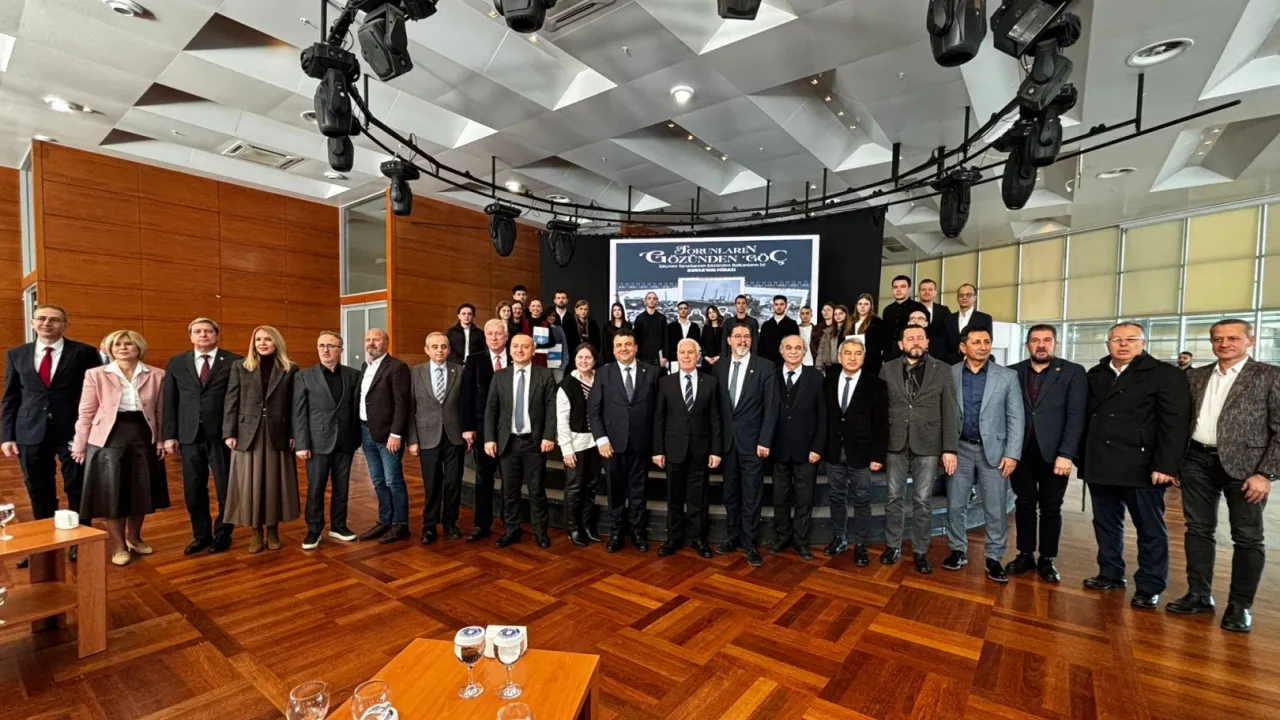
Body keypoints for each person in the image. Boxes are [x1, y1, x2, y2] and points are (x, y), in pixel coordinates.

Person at [1167, 319, 1279, 633]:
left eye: (1232, 338)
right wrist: (1176, 463)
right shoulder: (1196, 376)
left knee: (1247, 537)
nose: (1224, 344)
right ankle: (1199, 595)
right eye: (1218, 339)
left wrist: (1265, 473)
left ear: (1250, 341)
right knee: (1198, 530)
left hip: (1247, 469)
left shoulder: (1270, 376)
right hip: (1196, 461)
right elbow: (1181, 422)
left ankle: (1240, 605)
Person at [1079, 322, 1190, 610]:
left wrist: (1166, 465)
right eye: (1117, 339)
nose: (1123, 344)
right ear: (1108, 343)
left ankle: (1150, 585)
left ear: (1143, 343)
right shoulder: (1096, 374)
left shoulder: (1165, 374)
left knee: (1150, 529)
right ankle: (1110, 572)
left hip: (1143, 466)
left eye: (1131, 339)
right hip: (1101, 463)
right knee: (1105, 523)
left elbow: (1175, 424)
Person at [72, 330, 168, 567]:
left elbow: (161, 412)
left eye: (128, 344)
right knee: (112, 492)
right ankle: (118, 545)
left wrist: (161, 440)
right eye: (117, 344)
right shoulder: (96, 374)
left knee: (140, 490)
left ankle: (135, 538)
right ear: (110, 349)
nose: (123, 348)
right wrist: (80, 444)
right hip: (107, 437)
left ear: (139, 348)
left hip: (143, 434)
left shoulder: (157, 374)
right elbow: (86, 411)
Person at [2, 305, 100, 532]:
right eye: (41, 318)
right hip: (29, 429)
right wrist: (7, 436)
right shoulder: (16, 354)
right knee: (38, 486)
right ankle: (45, 534)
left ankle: (80, 536)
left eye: (54, 320)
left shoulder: (84, 352)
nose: (47, 323)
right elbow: (11, 397)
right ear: (33, 323)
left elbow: (96, 393)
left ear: (65, 325)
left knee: (77, 484)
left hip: (74, 429)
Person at [1006, 325, 1087, 583]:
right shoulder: (1012, 372)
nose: (1041, 345)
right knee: (1024, 504)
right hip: (1021, 452)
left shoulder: (1072, 372)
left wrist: (1067, 454)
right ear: (1027, 344)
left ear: (1055, 343)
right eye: (1035, 340)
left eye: (1047, 340)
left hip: (1055, 455)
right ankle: (1025, 554)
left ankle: (1047, 558)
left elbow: (1076, 416)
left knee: (1051, 507)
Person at [944, 326, 1024, 582]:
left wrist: (1012, 453)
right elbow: (944, 414)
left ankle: (993, 557)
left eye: (987, 341)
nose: (983, 346)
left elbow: (1016, 417)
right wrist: (946, 448)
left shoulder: (1007, 376)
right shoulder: (950, 374)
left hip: (995, 452)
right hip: (960, 449)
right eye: (976, 342)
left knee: (995, 507)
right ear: (963, 347)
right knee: (956, 503)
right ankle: (957, 550)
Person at [880, 324, 957, 573]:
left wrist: (950, 448)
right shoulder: (887, 368)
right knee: (893, 498)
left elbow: (950, 410)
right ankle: (893, 545)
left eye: (920, 338)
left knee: (922, 501)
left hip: (929, 442)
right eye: (910, 338)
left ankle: (920, 551)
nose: (915, 342)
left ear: (927, 342)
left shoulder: (943, 369)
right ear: (901, 344)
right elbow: (880, 408)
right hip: (895, 441)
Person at [161, 318, 242, 555]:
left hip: (222, 436)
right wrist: (169, 435)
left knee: (225, 489)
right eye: (198, 331)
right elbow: (169, 400)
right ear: (191, 336)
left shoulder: (234, 361)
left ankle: (223, 534)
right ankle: (201, 535)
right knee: (193, 489)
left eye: (208, 331)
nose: (203, 335)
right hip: (189, 436)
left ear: (216, 335)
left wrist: (235, 431)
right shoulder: (177, 362)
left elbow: (239, 400)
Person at [222, 326, 299, 554]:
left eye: (267, 339)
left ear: (277, 342)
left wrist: (294, 433)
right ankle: (256, 531)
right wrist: (229, 432)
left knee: (274, 482)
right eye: (258, 339)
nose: (262, 343)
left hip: (278, 432)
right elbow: (231, 400)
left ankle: (273, 529)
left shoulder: (290, 369)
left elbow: (294, 405)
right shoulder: (240, 366)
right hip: (247, 433)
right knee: (250, 483)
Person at [588, 328, 662, 553]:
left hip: (641, 444)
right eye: (619, 345)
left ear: (636, 347)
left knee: (639, 491)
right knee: (615, 491)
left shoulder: (652, 372)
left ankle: (638, 532)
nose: (624, 349)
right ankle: (617, 532)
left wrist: (657, 446)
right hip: (612, 445)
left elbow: (659, 413)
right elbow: (594, 410)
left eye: (628, 344)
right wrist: (601, 439)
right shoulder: (603, 373)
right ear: (613, 350)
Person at [484, 333, 557, 548]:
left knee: (536, 490)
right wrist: (489, 438)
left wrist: (549, 435)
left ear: (533, 351)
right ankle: (511, 530)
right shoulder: (500, 376)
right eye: (515, 346)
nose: (519, 350)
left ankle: (540, 532)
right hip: (508, 443)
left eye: (525, 346)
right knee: (509, 490)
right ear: (510, 350)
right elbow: (491, 409)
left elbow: (551, 408)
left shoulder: (545, 375)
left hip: (534, 443)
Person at [714, 323, 778, 567]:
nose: (742, 340)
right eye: (738, 336)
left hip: (753, 444)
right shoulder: (718, 367)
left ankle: (750, 542)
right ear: (729, 340)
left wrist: (765, 440)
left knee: (752, 494)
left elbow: (771, 407)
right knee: (730, 494)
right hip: (727, 444)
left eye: (747, 336)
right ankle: (734, 536)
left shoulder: (765, 367)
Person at [292, 331, 361, 550]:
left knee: (342, 488)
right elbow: (298, 413)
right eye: (321, 345)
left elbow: (356, 409)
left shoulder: (353, 375)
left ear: (340, 350)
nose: (325, 350)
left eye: (330, 346)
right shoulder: (304, 376)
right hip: (317, 442)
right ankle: (313, 531)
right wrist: (302, 444)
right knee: (316, 489)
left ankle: (338, 526)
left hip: (345, 441)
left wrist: (357, 438)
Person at [654, 338, 722, 558]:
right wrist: (658, 450)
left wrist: (715, 450)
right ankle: (673, 539)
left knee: (698, 498)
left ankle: (698, 539)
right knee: (674, 498)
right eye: (682, 352)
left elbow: (715, 419)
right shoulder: (665, 382)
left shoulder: (710, 382)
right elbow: (659, 418)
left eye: (690, 352)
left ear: (698, 356)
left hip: (700, 451)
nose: (686, 356)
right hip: (673, 450)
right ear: (677, 355)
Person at [824, 338, 888, 564]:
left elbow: (881, 423)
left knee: (862, 499)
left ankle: (861, 544)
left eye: (857, 353)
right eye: (848, 353)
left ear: (863, 357)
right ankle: (839, 537)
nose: (852, 357)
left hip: (862, 453)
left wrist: (878, 455)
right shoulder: (827, 382)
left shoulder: (876, 385)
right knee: (836, 497)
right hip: (833, 451)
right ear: (839, 356)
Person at [769, 335, 826, 560]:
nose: (793, 351)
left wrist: (818, 447)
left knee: (805, 497)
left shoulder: (816, 377)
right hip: (778, 448)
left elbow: (823, 416)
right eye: (789, 348)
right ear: (781, 351)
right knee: (779, 496)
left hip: (807, 450)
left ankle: (801, 540)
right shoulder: (771, 375)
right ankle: (782, 537)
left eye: (798, 348)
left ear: (804, 352)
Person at [407, 332, 466, 544]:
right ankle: (429, 526)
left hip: (454, 436)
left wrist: (468, 432)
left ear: (448, 350)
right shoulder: (415, 372)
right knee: (431, 484)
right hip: (426, 436)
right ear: (426, 350)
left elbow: (465, 405)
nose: (439, 350)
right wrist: (412, 440)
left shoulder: (460, 371)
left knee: (453, 483)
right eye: (434, 346)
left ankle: (450, 522)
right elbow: (409, 408)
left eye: (443, 346)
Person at [357, 328, 412, 545]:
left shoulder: (397, 367)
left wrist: (396, 434)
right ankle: (385, 520)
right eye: (368, 339)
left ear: (386, 343)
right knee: (378, 480)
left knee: (393, 480)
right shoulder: (365, 366)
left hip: (388, 435)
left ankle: (400, 524)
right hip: (366, 432)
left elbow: (402, 403)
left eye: (376, 340)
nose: (371, 343)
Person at [460, 319, 510, 541]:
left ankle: (510, 524)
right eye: (490, 334)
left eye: (498, 333)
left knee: (510, 480)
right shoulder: (474, 360)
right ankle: (482, 524)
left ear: (506, 336)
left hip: (512, 430)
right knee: (483, 478)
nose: (494, 337)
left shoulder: (517, 357)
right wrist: (467, 427)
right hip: (482, 429)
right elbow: (466, 396)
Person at [557, 343, 604, 546]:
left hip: (597, 442)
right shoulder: (567, 384)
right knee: (574, 488)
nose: (584, 361)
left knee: (591, 486)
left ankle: (586, 525)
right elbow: (562, 421)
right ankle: (573, 528)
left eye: (588, 357)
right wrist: (566, 450)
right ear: (574, 359)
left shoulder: (600, 379)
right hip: (576, 444)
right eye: (580, 357)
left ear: (594, 360)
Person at [941, 284, 992, 365]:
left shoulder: (984, 319)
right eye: (961, 295)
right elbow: (943, 343)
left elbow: (987, 341)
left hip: (976, 362)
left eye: (968, 295)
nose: (964, 298)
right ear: (957, 298)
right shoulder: (948, 319)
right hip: (950, 363)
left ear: (974, 297)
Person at [881, 276, 926, 363]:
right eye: (895, 287)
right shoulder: (887, 310)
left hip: (911, 352)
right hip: (889, 355)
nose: (898, 290)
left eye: (902, 286)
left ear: (909, 289)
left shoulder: (919, 308)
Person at [758, 295, 800, 367]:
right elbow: (761, 346)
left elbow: (795, 345)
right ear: (773, 306)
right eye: (776, 304)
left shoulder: (792, 324)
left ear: (786, 305)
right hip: (767, 363)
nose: (779, 307)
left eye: (781, 304)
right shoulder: (766, 325)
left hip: (785, 363)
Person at [849, 294, 884, 378]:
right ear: (856, 306)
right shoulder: (850, 322)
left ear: (871, 306)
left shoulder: (877, 322)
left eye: (866, 304)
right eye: (860, 304)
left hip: (870, 363)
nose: (862, 307)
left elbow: (880, 343)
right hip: (852, 360)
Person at [917, 279, 952, 359]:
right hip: (917, 351)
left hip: (939, 353)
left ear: (935, 292)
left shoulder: (944, 310)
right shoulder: (911, 309)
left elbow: (949, 331)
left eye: (930, 289)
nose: (927, 292)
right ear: (918, 293)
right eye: (923, 290)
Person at [815, 305, 852, 375]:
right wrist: (819, 366)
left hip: (845, 365)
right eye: (835, 314)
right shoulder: (828, 331)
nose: (838, 316)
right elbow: (821, 349)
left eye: (840, 313)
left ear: (846, 314)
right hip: (830, 365)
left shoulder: (851, 330)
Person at [632, 291, 668, 364]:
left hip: (658, 357)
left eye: (654, 298)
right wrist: (636, 355)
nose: (652, 300)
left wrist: (665, 356)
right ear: (645, 301)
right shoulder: (639, 318)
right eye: (649, 298)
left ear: (657, 301)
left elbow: (665, 338)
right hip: (642, 357)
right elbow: (636, 339)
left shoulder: (662, 318)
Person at [665, 301, 701, 368]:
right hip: (675, 359)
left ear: (688, 310)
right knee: (675, 375)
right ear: (678, 311)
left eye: (685, 308)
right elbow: (667, 343)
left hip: (690, 359)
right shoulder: (671, 326)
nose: (683, 310)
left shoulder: (695, 326)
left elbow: (697, 343)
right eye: (680, 308)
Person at [700, 305, 724, 370]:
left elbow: (726, 345)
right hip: (707, 361)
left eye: (713, 312)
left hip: (720, 361)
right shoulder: (706, 328)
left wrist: (719, 356)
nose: (712, 314)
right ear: (707, 315)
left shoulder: (723, 328)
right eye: (709, 313)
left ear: (717, 313)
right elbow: (702, 344)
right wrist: (706, 357)